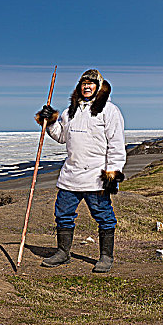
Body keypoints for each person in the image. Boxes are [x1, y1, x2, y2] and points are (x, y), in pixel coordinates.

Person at [35, 69, 126, 273]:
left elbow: (116, 145)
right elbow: (61, 136)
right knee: (63, 214)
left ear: (99, 87)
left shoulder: (110, 111)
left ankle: (105, 256)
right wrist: (49, 121)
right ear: (79, 87)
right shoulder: (70, 112)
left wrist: (112, 172)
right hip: (71, 174)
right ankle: (63, 252)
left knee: (103, 215)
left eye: (91, 83)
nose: (87, 86)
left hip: (96, 175)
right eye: (83, 83)